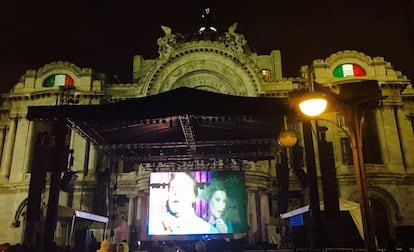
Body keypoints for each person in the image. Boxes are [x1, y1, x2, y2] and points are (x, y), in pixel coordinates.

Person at [149, 172, 218, 235]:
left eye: (183, 188)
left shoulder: (208, 230)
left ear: (194, 196)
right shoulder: (153, 227)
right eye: (173, 188)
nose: (176, 192)